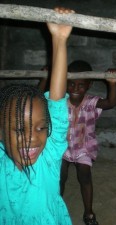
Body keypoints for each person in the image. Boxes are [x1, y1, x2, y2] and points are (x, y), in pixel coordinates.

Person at [0, 7, 74, 224]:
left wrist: (59, 40)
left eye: (41, 128)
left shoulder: (48, 157)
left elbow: (58, 103)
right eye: (20, 129)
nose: (33, 137)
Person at [59, 61, 116, 225]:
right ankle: (56, 206)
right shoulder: (61, 101)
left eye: (81, 85)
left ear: (89, 85)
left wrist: (112, 84)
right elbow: (42, 97)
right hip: (63, 147)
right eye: (70, 84)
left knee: (84, 177)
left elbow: (111, 103)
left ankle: (88, 212)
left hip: (84, 147)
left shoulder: (92, 102)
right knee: (60, 178)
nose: (75, 88)